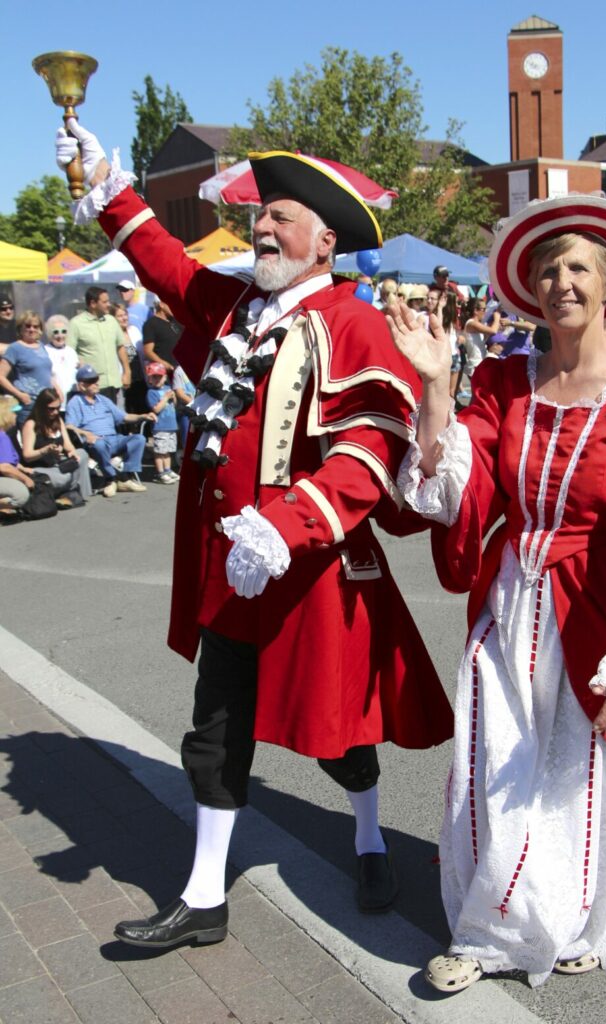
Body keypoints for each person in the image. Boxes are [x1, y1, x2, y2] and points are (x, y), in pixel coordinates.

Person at [56, 118, 453, 949]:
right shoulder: (239, 305)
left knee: (338, 734)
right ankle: (203, 898)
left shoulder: (355, 324)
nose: (261, 229)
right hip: (226, 570)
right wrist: (104, 189)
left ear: (324, 239)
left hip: (309, 568)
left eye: (278, 218)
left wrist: (288, 525)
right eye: (261, 216)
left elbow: (368, 448)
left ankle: (370, 836)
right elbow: (163, 262)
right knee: (215, 731)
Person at [387, 192, 606, 991]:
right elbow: (448, 492)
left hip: (595, 604)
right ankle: (495, 931)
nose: (560, 281)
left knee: (589, 768)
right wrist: (435, 385)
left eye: (577, 266)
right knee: (504, 762)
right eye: (547, 268)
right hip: (509, 606)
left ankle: (589, 920)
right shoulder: (507, 380)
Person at [65, 365, 153, 497]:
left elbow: (124, 417)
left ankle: (125, 477)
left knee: (139, 439)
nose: (96, 383)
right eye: (92, 381)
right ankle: (110, 479)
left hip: (114, 438)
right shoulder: (75, 402)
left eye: (96, 380)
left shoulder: (104, 400)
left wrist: (142, 416)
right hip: (94, 442)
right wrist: (84, 433)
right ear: (82, 385)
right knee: (99, 444)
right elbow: (68, 426)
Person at [20, 388, 92, 505]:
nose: (55, 412)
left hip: (58, 464)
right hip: (40, 469)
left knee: (82, 454)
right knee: (64, 478)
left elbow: (68, 446)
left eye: (58, 408)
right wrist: (45, 450)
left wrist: (72, 453)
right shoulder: (31, 424)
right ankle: (70, 491)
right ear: (42, 407)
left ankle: (78, 494)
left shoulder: (58, 420)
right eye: (51, 409)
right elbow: (27, 456)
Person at [68, 287, 130, 403]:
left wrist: (127, 371)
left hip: (114, 384)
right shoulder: (76, 324)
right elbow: (69, 353)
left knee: (116, 419)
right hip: (92, 386)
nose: (109, 304)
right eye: (105, 302)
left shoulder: (111, 321)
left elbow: (120, 346)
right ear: (93, 303)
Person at [0, 311, 62, 426]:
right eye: (27, 326)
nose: (31, 329)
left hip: (47, 403)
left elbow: (46, 373)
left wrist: (57, 390)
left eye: (35, 326)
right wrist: (19, 394)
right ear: (21, 328)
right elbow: (1, 376)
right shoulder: (15, 348)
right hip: (29, 404)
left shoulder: (41, 346)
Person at [0, 395, 36, 513]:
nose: (16, 415)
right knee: (21, 495)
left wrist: (23, 469)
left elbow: (9, 461)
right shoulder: (2, 436)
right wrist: (26, 479)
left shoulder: (4, 434)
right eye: (14, 412)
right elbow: (4, 466)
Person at [146, 362, 179, 483]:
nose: (157, 379)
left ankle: (168, 470)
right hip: (160, 426)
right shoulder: (151, 393)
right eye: (154, 377)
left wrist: (173, 397)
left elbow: (173, 405)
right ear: (149, 379)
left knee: (168, 451)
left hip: (171, 425)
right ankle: (160, 473)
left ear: (165, 377)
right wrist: (165, 398)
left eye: (160, 377)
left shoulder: (167, 389)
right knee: (160, 451)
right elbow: (156, 409)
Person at [110, 301, 147, 413]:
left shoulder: (134, 331)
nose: (124, 318)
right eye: (120, 316)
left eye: (125, 315)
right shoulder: (112, 335)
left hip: (140, 378)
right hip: (124, 380)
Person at [44, 315, 80, 407]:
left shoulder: (71, 351)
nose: (60, 336)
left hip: (74, 399)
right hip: (55, 400)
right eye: (56, 332)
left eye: (64, 331)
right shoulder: (45, 351)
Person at [142, 298, 182, 376]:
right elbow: (148, 351)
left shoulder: (177, 321)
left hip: (182, 371)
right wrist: (164, 364)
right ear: (161, 304)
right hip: (165, 373)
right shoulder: (151, 324)